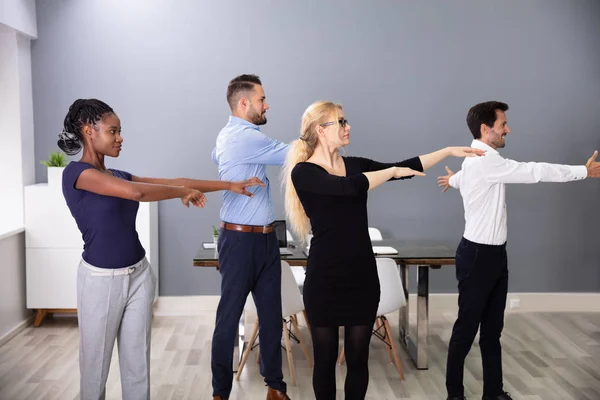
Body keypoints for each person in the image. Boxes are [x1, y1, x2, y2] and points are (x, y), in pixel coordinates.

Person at [59, 99, 264, 400]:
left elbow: (175, 181)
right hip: (101, 281)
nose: (120, 138)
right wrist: (183, 193)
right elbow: (137, 193)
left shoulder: (118, 175)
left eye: (120, 131)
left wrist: (229, 185)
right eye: (112, 131)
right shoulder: (77, 174)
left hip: (139, 276)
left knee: (137, 365)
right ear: (89, 131)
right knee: (94, 369)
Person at [282, 100, 484, 400]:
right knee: (324, 362)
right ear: (320, 130)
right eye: (341, 121)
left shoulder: (354, 164)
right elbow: (349, 188)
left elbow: (404, 167)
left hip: (362, 275)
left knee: (358, 360)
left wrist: (446, 151)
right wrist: (389, 173)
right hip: (325, 279)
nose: (348, 126)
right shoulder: (304, 172)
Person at [437, 101, 600, 400]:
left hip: (495, 255)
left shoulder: (474, 160)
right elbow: (534, 171)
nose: (507, 129)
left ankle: (494, 393)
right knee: (466, 329)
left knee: (492, 331)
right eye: (503, 125)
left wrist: (453, 180)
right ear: (486, 129)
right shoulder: (485, 160)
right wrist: (582, 171)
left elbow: (465, 177)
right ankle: (454, 395)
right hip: (476, 257)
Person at [211, 75, 291, 400]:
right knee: (229, 318)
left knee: (272, 317)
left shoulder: (232, 136)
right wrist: (320, 134)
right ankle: (220, 393)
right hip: (241, 242)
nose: (267, 104)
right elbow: (294, 154)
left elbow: (216, 158)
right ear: (244, 103)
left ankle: (275, 388)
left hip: (266, 240)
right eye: (262, 99)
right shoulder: (244, 138)